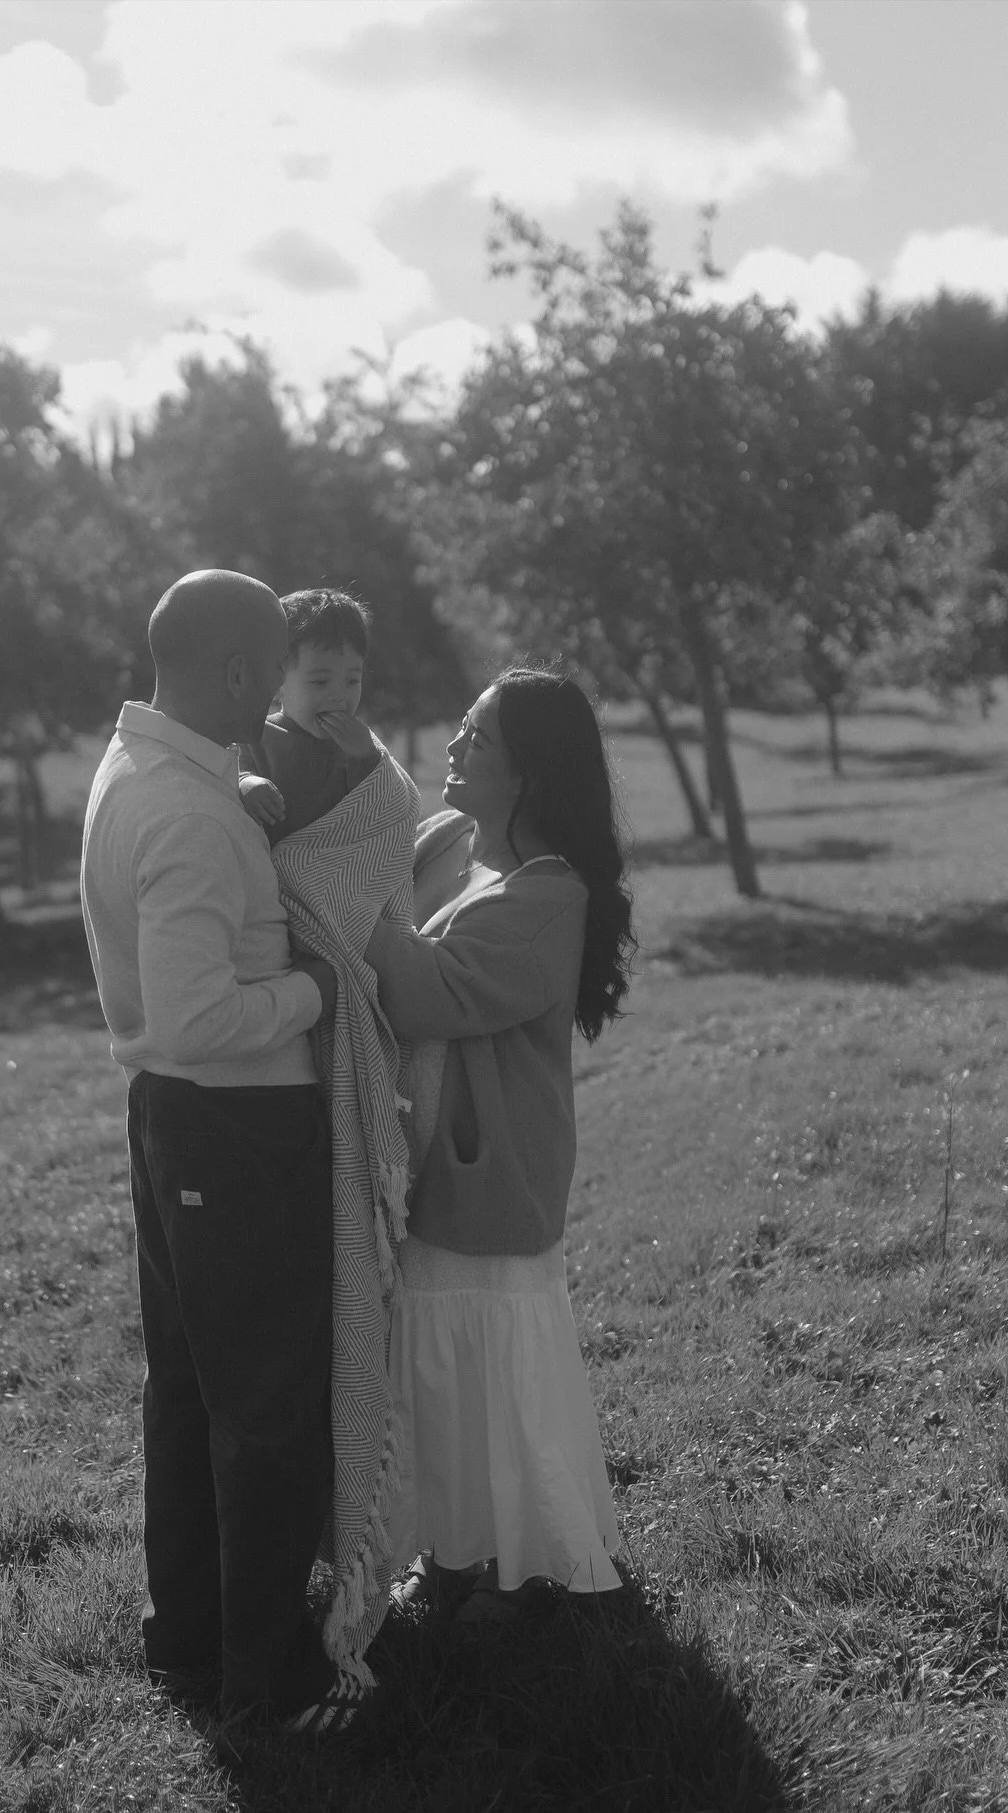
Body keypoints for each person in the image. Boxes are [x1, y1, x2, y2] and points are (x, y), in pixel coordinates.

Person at [80, 568, 349, 1727]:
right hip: (233, 1124)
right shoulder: (189, 818)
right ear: (239, 673)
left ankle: (188, 1643)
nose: (280, 697)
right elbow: (199, 1018)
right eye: (272, 674)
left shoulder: (141, 765)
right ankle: (270, 1681)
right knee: (267, 1406)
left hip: (172, 1118)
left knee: (190, 1390)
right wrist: (314, 989)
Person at [363, 667, 635, 1612]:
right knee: (436, 1377)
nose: (454, 747)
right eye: (463, 726)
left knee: (489, 1378)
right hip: (426, 1164)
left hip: (491, 1173)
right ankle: (450, 1552)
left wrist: (346, 906)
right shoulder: (446, 842)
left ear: (526, 773)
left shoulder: (549, 895)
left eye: (477, 738)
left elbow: (430, 990)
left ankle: (522, 1565)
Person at [238, 588, 383, 842]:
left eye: (352, 680)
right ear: (277, 681)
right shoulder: (256, 736)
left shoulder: (357, 743)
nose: (339, 696)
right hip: (276, 862)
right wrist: (246, 784)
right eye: (320, 682)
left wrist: (364, 756)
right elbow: (225, 779)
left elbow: (377, 807)